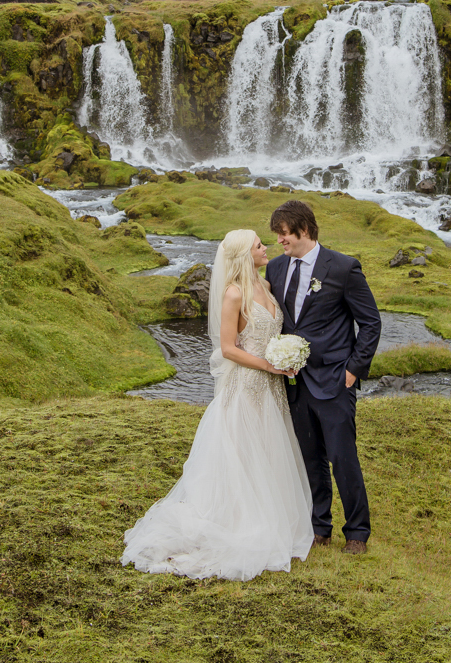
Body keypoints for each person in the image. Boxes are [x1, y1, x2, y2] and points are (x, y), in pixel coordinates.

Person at [121, 229, 314, 580]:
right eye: (259, 245)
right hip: (246, 386)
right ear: (244, 255)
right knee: (244, 452)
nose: (266, 247)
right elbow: (228, 349)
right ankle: (239, 522)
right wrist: (270, 365)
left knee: (269, 448)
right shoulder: (233, 294)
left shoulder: (266, 285)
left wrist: (286, 357)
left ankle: (274, 517)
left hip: (271, 388)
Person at [265, 199, 381, 555]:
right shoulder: (275, 269)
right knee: (309, 457)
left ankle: (357, 533)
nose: (279, 241)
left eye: (284, 234)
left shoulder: (343, 268)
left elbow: (370, 322)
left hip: (335, 380)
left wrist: (353, 369)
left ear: (304, 229)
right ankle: (319, 527)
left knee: (343, 458)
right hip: (294, 382)